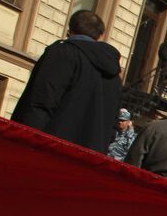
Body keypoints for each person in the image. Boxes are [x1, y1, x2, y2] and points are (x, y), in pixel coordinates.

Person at [11, 9, 123, 154]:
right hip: (88, 160)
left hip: (50, 151)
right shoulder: (114, 77)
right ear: (100, 35)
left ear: (70, 29)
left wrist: (21, 145)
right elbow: (113, 125)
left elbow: (39, 103)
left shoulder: (63, 53)